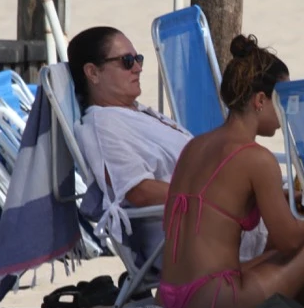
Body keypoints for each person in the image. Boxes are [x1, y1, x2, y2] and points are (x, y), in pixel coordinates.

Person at [158, 35, 304, 308]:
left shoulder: (195, 146)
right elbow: (290, 241)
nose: (286, 114)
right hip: (213, 301)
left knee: (283, 257)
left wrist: (289, 205)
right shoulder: (257, 158)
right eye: (283, 103)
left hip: (169, 296)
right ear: (260, 100)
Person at [67, 25, 265, 265]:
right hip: (196, 235)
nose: (138, 67)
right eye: (127, 61)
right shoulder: (103, 125)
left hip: (217, 219)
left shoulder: (134, 112)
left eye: (138, 59)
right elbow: (139, 191)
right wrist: (220, 196)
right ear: (93, 73)